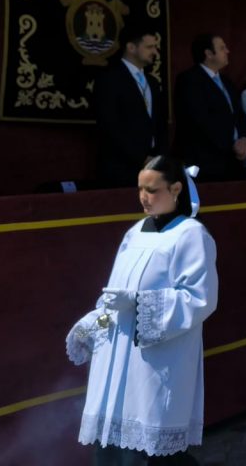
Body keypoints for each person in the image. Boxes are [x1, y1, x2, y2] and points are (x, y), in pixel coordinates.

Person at [66, 155, 218, 463]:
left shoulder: (191, 234)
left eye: (152, 190)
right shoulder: (134, 233)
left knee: (152, 452)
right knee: (112, 446)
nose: (143, 198)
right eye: (139, 189)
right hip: (116, 355)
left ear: (176, 189)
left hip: (157, 362)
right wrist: (96, 322)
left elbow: (199, 298)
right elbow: (114, 297)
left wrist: (139, 303)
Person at [94, 24, 168, 188]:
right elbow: (109, 125)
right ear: (131, 47)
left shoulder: (152, 82)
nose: (155, 52)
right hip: (121, 170)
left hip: (153, 169)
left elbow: (160, 123)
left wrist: (159, 158)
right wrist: (141, 158)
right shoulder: (110, 79)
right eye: (149, 47)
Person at [174, 34, 246, 182]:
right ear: (208, 53)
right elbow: (200, 120)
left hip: (232, 162)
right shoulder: (189, 80)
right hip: (205, 163)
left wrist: (244, 139)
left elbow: (239, 114)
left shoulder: (227, 81)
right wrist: (231, 144)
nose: (227, 51)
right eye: (222, 48)